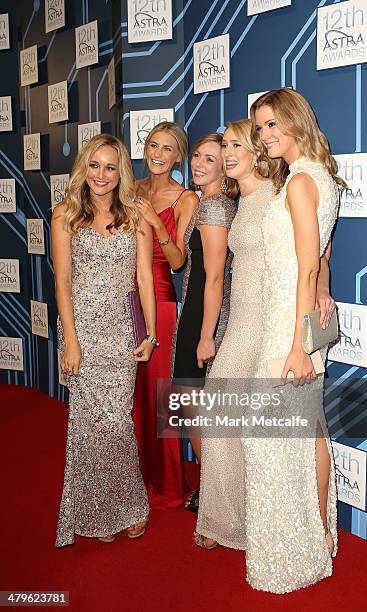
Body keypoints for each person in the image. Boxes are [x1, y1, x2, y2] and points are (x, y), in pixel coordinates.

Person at [194, 118, 336, 553]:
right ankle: (226, 519)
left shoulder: (281, 192)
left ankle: (272, 524)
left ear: (258, 151)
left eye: (236, 145)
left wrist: (323, 290)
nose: (226, 154)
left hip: (275, 320)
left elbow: (317, 247)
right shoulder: (238, 203)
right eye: (224, 147)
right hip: (244, 320)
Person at [244, 87, 346, 592]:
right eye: (259, 128)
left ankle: (300, 547)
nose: (264, 136)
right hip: (295, 320)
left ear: (294, 121)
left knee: (274, 439)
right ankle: (318, 538)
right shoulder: (319, 177)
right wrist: (321, 291)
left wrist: (298, 347)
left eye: (270, 124)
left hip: (290, 327)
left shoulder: (302, 180)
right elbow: (322, 256)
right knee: (306, 432)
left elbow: (308, 264)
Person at [52, 134, 156, 547]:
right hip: (82, 332)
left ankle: (129, 504)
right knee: (89, 425)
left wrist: (150, 333)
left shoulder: (134, 216)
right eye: (94, 165)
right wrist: (72, 342)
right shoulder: (66, 214)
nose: (101, 175)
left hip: (120, 333)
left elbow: (144, 278)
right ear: (84, 168)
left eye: (110, 167)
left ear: (121, 173)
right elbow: (62, 282)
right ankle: (98, 509)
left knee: (115, 422)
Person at [133, 121, 199, 509]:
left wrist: (157, 224)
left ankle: (165, 486)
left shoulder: (185, 198)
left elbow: (177, 261)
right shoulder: (131, 188)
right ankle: (131, 479)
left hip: (160, 298)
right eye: (152, 145)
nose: (157, 154)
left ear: (178, 157)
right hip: (124, 298)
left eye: (167, 149)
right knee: (132, 396)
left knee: (160, 399)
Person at [171, 132, 237, 512]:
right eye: (197, 156)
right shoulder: (206, 203)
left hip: (203, 312)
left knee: (193, 404)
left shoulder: (214, 208)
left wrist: (206, 335)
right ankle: (214, 490)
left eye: (210, 159)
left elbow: (214, 277)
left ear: (224, 168)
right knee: (188, 403)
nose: (198, 164)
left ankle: (216, 494)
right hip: (195, 308)